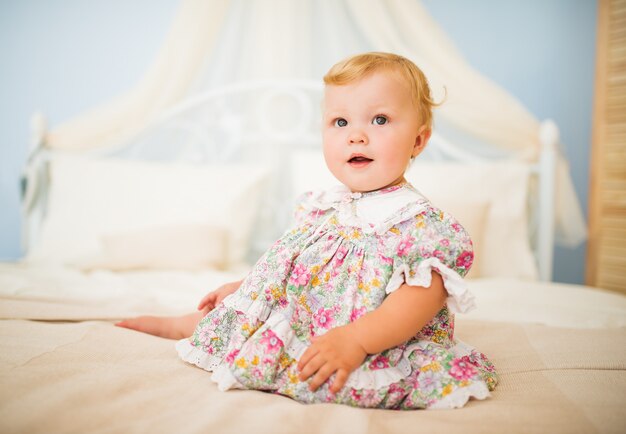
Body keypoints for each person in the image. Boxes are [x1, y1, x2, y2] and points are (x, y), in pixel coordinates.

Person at [116, 52, 498, 409]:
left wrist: (357, 340)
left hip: (368, 338)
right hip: (310, 316)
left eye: (379, 120)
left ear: (418, 139)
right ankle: (181, 325)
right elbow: (295, 267)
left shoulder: (419, 225)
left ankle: (189, 326)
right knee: (239, 316)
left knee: (327, 366)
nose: (356, 135)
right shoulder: (324, 206)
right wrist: (248, 287)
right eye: (340, 122)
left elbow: (418, 302)